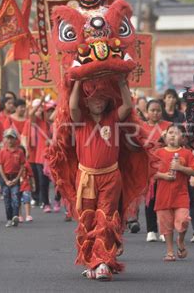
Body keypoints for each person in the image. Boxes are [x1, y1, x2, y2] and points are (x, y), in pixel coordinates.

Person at [69, 78, 132, 281]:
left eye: (103, 99)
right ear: (86, 102)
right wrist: (78, 81)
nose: (98, 102)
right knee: (87, 220)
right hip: (86, 177)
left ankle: (103, 262)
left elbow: (128, 106)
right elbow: (72, 106)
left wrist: (122, 83)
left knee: (104, 218)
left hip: (111, 177)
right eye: (94, 98)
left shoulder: (114, 117)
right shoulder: (80, 119)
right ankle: (90, 261)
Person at [153, 124, 194, 261]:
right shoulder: (158, 153)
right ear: (165, 136)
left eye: (176, 133)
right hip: (163, 195)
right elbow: (149, 172)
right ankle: (169, 251)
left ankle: (180, 239)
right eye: (170, 132)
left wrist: (180, 168)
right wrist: (163, 176)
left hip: (181, 194)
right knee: (166, 226)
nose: (173, 135)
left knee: (183, 221)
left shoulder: (186, 153)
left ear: (183, 138)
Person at [141, 99, 170, 241]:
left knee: (164, 200)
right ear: (146, 112)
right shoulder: (141, 127)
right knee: (150, 199)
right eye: (152, 110)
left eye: (158, 110)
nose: (155, 113)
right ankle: (151, 230)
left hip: (165, 167)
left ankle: (164, 230)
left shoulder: (168, 126)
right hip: (148, 168)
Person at [0, 128, 25, 227]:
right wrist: (5, 180)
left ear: (15, 139)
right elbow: (0, 167)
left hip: (15, 177)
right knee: (7, 199)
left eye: (12, 138)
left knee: (15, 197)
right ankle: (9, 218)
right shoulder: (2, 152)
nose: (10, 140)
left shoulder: (20, 152)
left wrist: (17, 179)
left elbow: (22, 166)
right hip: (5, 177)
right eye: (8, 138)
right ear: (5, 139)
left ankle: (15, 216)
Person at [18, 146, 34, 222]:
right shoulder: (14, 162)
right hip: (17, 184)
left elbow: (31, 175)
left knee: (27, 200)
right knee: (17, 201)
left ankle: (28, 215)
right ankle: (19, 215)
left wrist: (33, 184)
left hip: (26, 184)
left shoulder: (26, 163)